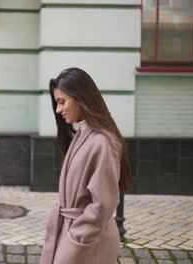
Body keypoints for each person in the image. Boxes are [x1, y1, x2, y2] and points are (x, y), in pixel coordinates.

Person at [40, 68, 131, 264]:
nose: (58, 110)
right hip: (75, 233)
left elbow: (101, 205)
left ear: (80, 98)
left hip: (86, 242)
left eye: (62, 102)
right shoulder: (82, 134)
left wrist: (76, 240)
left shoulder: (102, 142)